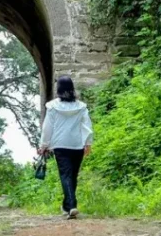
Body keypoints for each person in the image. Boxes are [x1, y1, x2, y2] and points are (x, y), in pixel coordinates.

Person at [37, 75, 93, 219]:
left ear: (59, 89)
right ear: (72, 88)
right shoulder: (81, 107)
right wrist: (87, 143)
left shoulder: (52, 107)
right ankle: (68, 206)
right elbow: (86, 126)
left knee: (66, 175)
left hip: (60, 145)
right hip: (77, 145)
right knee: (72, 175)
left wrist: (44, 145)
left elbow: (47, 128)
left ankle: (71, 204)